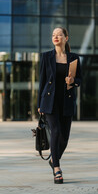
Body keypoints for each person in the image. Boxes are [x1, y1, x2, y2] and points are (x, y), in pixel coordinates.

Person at [37, 27, 81, 184]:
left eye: (59, 34)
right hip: (49, 101)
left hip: (67, 101)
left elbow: (80, 80)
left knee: (64, 138)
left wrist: (73, 81)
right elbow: (41, 82)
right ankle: (57, 168)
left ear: (66, 38)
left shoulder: (74, 58)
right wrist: (39, 104)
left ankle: (53, 159)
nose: (55, 37)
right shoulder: (46, 57)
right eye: (53, 35)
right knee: (55, 131)